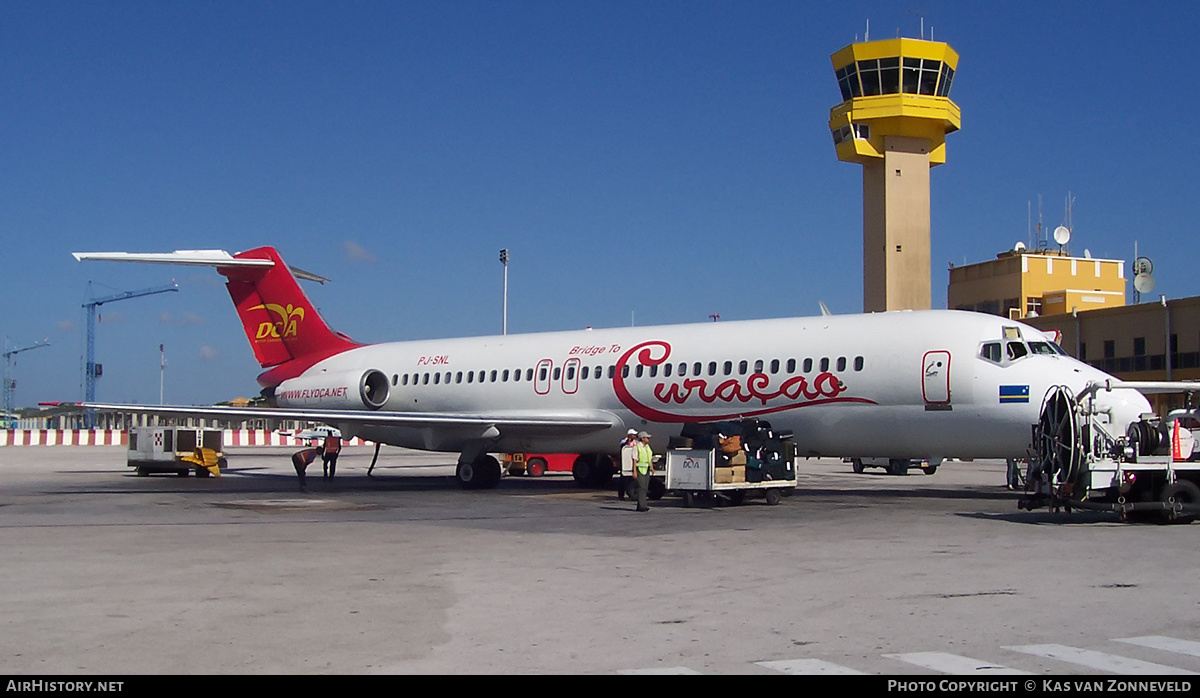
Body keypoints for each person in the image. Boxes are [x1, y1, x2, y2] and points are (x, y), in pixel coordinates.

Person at [634, 431, 654, 512]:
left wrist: (652, 468)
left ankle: (639, 505)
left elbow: (650, 458)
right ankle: (643, 506)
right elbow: (634, 460)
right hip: (640, 469)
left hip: (646, 469)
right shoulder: (637, 447)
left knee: (645, 487)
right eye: (647, 438)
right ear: (642, 438)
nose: (648, 439)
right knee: (642, 487)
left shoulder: (647, 447)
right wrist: (634, 471)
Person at [617, 429, 638, 500]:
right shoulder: (624, 440)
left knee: (630, 479)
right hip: (624, 461)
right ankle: (621, 495)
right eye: (633, 435)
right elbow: (622, 446)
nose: (635, 436)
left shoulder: (636, 442)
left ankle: (629, 491)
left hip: (632, 461)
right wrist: (627, 441)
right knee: (623, 479)